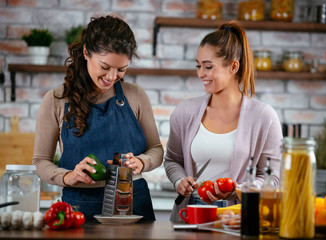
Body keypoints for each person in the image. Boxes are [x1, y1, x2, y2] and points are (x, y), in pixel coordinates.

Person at [32, 15, 164, 221]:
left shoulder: (135, 95)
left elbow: (156, 149)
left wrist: (141, 161)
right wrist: (68, 176)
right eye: (105, 67)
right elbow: (40, 162)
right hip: (79, 204)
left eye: (121, 69)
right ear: (86, 52)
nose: (112, 77)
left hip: (133, 201)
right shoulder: (56, 100)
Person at [164, 20, 283, 222]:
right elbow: (172, 161)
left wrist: (241, 190)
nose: (201, 73)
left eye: (208, 67)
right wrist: (179, 181)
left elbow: (273, 178)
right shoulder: (184, 112)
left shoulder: (264, 116)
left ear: (233, 66)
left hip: (237, 218)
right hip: (190, 214)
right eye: (198, 66)